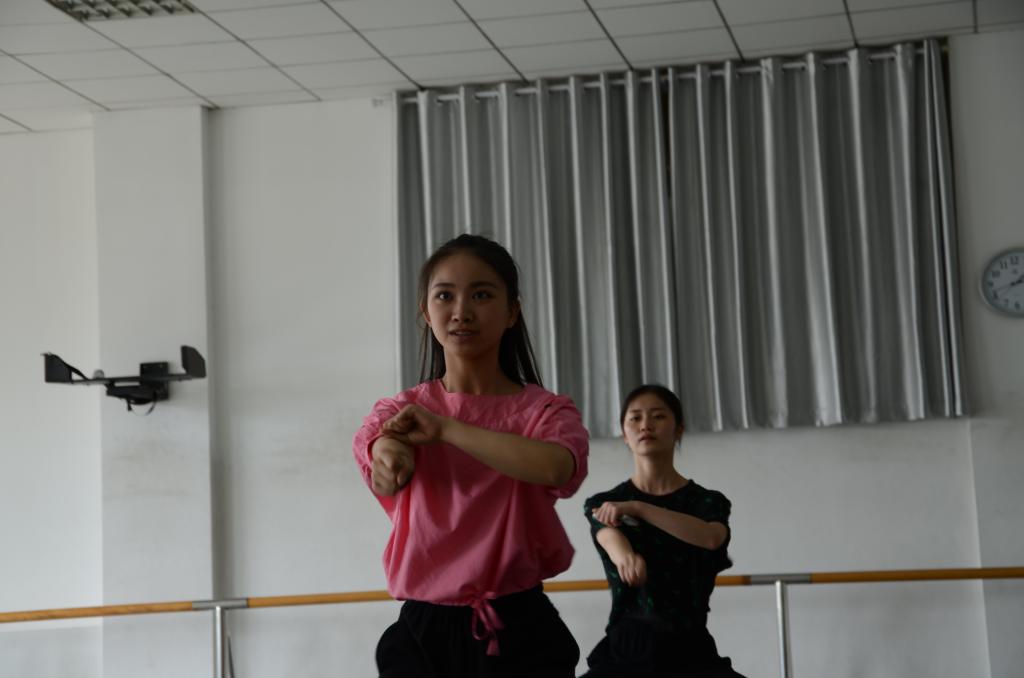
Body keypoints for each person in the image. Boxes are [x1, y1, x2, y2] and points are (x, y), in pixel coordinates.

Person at [352, 233, 589, 678]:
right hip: (425, 631)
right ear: (426, 313)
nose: (461, 311)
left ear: (512, 312)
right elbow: (381, 460)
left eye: (481, 294)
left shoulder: (545, 412)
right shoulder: (400, 410)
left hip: (520, 627)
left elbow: (557, 466)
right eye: (445, 296)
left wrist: (447, 429)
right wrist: (390, 454)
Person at [581, 384, 745, 678]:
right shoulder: (605, 503)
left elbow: (710, 537)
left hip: (690, 648)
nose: (645, 425)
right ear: (625, 434)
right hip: (628, 647)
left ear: (678, 429)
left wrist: (639, 507)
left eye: (658, 416)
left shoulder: (707, 502)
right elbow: (607, 534)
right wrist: (625, 557)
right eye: (635, 418)